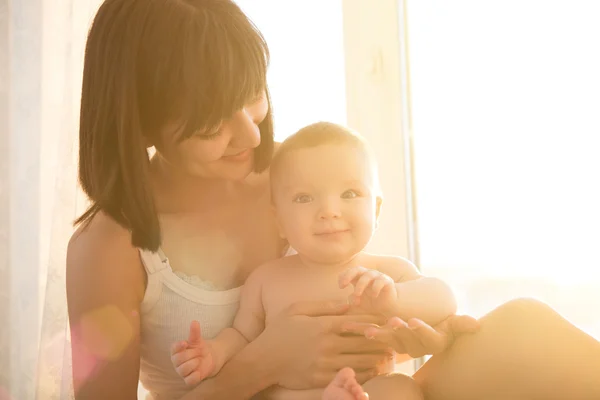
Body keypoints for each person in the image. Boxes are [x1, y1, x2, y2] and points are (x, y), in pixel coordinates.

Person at [66, 0, 600, 399]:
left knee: (524, 329)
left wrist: (417, 333)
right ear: (140, 124)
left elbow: (366, 288)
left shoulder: (293, 177)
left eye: (251, 98)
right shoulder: (111, 247)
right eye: (212, 124)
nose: (251, 137)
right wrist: (262, 364)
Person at [170, 122, 458, 400]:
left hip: (367, 388)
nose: (329, 211)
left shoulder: (386, 274)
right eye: (304, 198)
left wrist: (395, 300)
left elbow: (444, 299)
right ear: (279, 221)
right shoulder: (266, 279)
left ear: (377, 210)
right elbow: (242, 337)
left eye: (349, 194)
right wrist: (213, 353)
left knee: (398, 389)